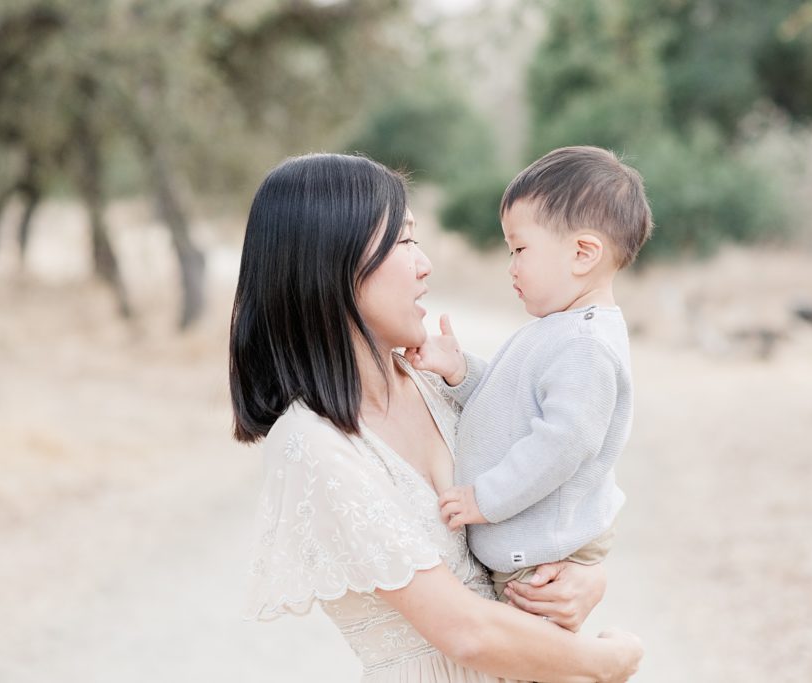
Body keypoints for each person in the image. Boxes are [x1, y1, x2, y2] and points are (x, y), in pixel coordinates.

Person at [230, 153, 644, 682]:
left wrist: (586, 578)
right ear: (328, 264)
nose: (424, 264)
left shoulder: (434, 385)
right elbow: (466, 632)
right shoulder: (313, 444)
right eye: (403, 241)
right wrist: (612, 660)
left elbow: (565, 480)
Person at [407, 146, 653, 599]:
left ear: (583, 253)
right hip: (524, 546)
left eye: (519, 248)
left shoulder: (585, 344)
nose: (511, 266)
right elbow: (510, 403)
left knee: (529, 657)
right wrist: (460, 372)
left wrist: (485, 497)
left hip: (537, 560)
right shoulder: (560, 328)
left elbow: (563, 445)